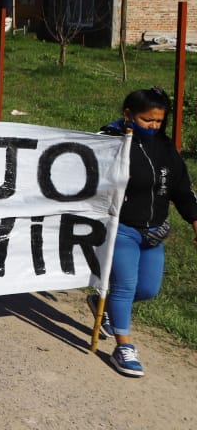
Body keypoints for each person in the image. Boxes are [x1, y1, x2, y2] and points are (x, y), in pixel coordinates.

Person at [93, 88, 197, 377]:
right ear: (128, 114)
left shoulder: (165, 148)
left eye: (158, 121)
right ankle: (123, 347)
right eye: (147, 120)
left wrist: (194, 220)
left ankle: (103, 306)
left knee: (148, 290)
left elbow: (181, 190)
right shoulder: (110, 142)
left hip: (155, 231)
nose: (153, 126)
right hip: (122, 229)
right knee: (125, 287)